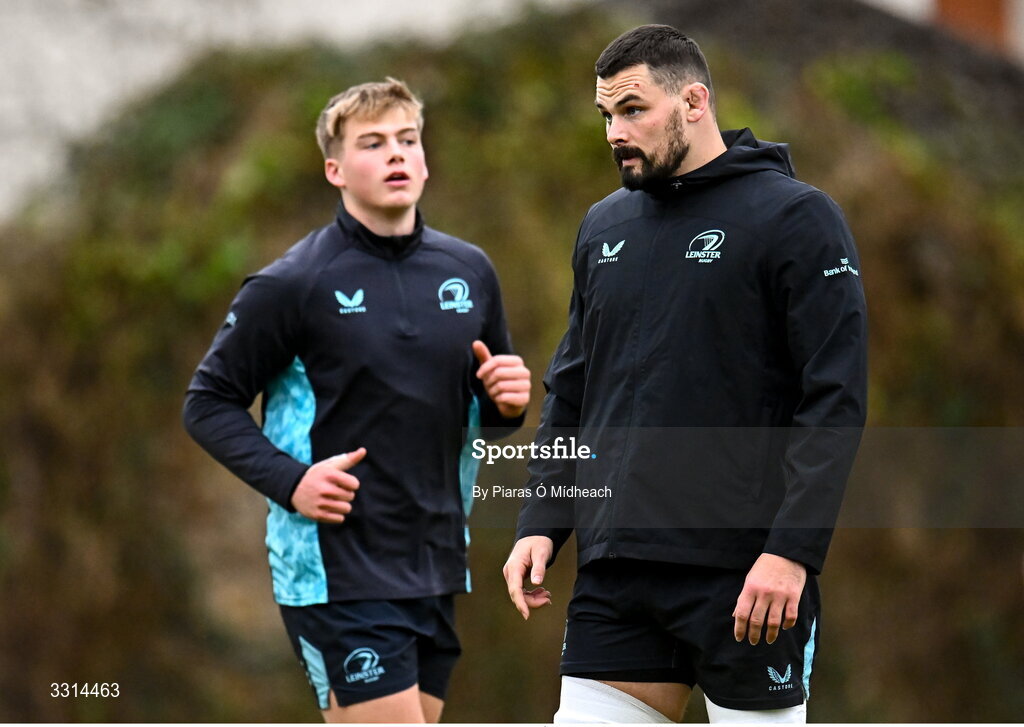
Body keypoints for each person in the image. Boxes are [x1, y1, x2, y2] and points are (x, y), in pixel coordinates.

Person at [502, 25, 867, 724]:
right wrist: (542, 520)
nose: (614, 130)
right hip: (616, 579)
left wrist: (791, 552)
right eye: (606, 114)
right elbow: (572, 388)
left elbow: (836, 399)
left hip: (747, 580)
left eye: (633, 109)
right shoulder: (603, 226)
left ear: (694, 100)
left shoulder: (797, 218)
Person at [183, 78, 530, 723]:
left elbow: (487, 412)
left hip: (435, 563)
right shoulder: (292, 283)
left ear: (425, 158)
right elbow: (207, 402)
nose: (396, 154)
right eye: (373, 143)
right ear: (335, 169)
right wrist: (292, 483)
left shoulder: (471, 271)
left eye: (408, 139)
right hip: (335, 569)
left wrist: (510, 404)